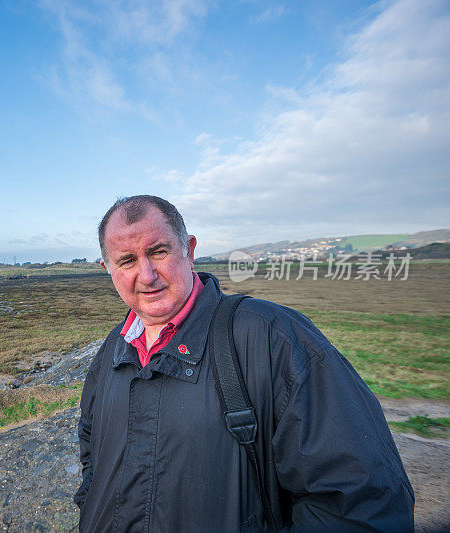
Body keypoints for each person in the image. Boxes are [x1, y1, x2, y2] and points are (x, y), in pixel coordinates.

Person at [74, 195, 414, 532]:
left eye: (158, 251)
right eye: (127, 260)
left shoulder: (272, 337)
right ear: (108, 269)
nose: (146, 275)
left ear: (189, 250)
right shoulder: (113, 349)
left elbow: (360, 502)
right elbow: (92, 449)